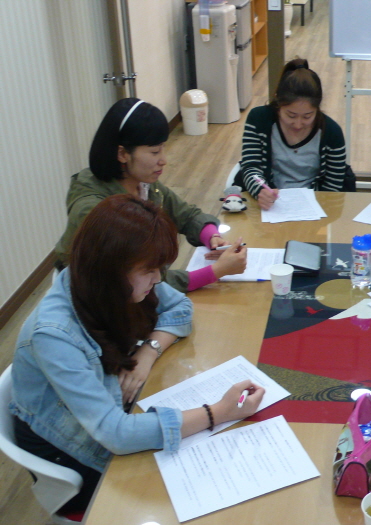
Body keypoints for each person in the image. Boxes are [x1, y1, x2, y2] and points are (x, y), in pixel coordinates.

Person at [11, 195, 265, 514]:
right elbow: (115, 434)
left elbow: (180, 306)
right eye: (149, 270)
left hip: (112, 408)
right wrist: (218, 412)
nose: (158, 279)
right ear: (111, 269)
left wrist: (149, 350)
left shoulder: (103, 282)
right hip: (72, 450)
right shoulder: (54, 335)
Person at [54, 97, 247, 293]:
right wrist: (216, 271)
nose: (163, 160)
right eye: (155, 152)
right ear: (122, 154)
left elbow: (186, 215)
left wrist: (212, 238)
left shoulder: (140, 182)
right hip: (95, 297)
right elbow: (141, 282)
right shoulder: (97, 211)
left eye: (163, 148)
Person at [239, 58, 347, 210]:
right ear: (278, 104)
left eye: (307, 116)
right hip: (269, 204)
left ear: (317, 109)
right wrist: (261, 191)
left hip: (313, 205)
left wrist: (314, 206)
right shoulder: (259, 120)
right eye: (291, 115)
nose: (298, 124)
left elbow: (333, 186)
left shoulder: (331, 132)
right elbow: (251, 166)